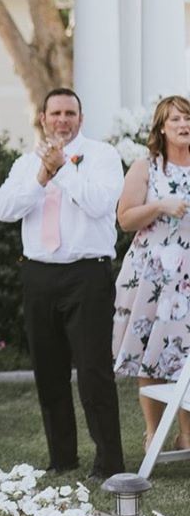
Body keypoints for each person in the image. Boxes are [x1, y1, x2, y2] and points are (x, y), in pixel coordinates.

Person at [0, 88, 125, 479]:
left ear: (80, 119)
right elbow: (4, 209)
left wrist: (63, 170)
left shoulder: (103, 156)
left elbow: (100, 204)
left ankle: (109, 461)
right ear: (43, 118)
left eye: (70, 113)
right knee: (48, 370)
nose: (63, 120)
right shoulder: (25, 163)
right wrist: (41, 176)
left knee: (93, 371)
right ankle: (62, 457)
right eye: (56, 113)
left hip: (87, 274)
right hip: (39, 274)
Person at [113, 94, 190, 451]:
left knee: (187, 352)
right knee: (152, 350)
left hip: (188, 275)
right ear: (161, 127)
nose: (183, 125)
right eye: (175, 119)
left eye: (188, 118)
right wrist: (160, 205)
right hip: (153, 274)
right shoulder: (146, 167)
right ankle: (153, 433)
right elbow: (125, 218)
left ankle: (187, 435)